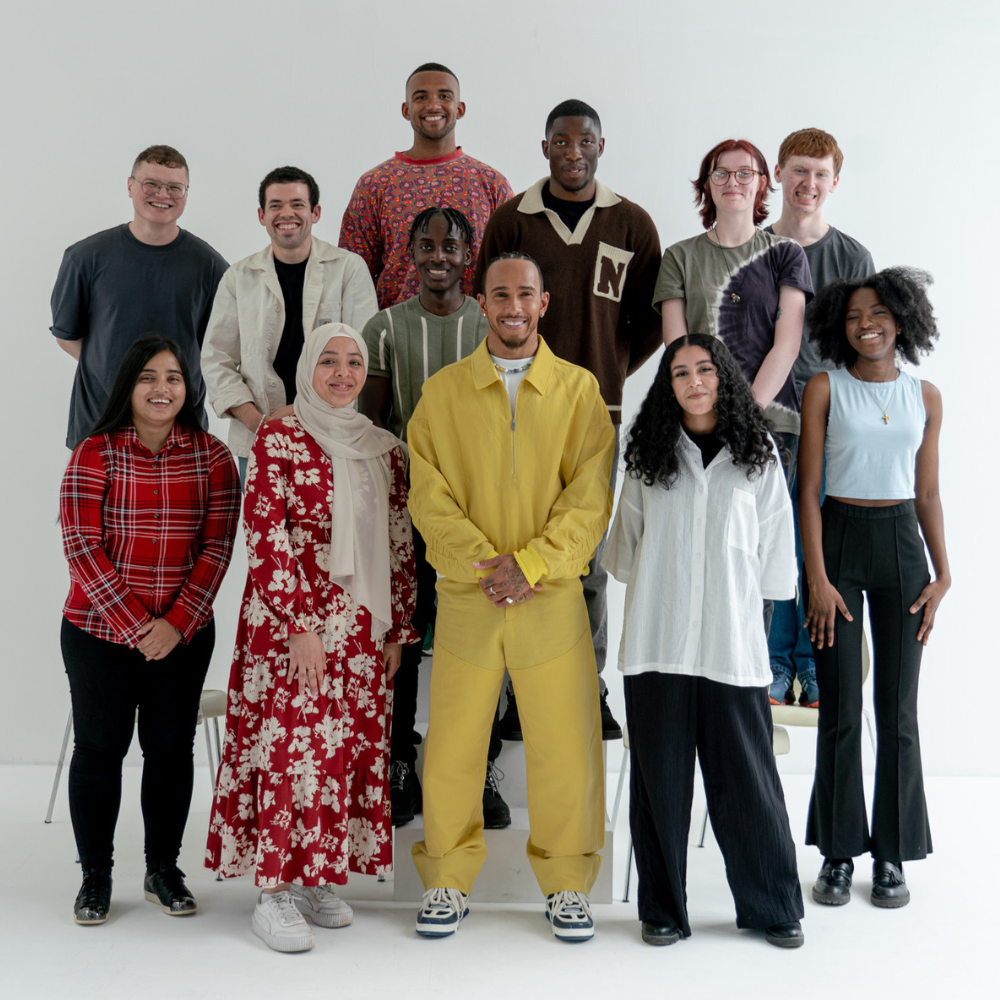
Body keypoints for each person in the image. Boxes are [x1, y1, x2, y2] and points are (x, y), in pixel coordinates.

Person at [407, 254, 614, 942]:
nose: (513, 306)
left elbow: (590, 501)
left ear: (545, 303)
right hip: (469, 597)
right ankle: (444, 878)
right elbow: (427, 495)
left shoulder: (579, 392)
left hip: (549, 596)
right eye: (501, 295)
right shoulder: (443, 393)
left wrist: (530, 564)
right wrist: (482, 566)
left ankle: (566, 884)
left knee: (565, 745)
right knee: (455, 746)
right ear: (482, 303)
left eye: (525, 294)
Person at [205, 323, 418, 953]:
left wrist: (398, 627)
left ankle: (320, 878)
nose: (343, 373)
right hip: (289, 622)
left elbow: (400, 541)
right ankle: (274, 891)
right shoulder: (278, 436)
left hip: (359, 626)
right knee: (291, 749)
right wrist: (300, 624)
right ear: (306, 367)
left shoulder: (384, 448)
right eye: (329, 361)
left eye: (354, 362)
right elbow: (265, 535)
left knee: (340, 752)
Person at [603, 333, 805, 949]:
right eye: (680, 372)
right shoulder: (647, 456)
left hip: (731, 645)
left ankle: (773, 905)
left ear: (724, 379)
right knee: (659, 782)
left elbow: (776, 560)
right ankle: (661, 909)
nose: (694, 381)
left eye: (705, 370)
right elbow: (623, 555)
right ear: (667, 386)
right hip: (657, 644)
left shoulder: (759, 455)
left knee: (748, 779)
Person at [475, 99, 662, 740]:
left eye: (585, 141)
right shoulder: (511, 219)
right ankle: (513, 694)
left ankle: (587, 685)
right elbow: (491, 307)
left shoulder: (633, 223)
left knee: (583, 555)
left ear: (601, 146)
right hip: (515, 408)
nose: (573, 151)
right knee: (515, 545)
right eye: (562, 140)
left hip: (596, 416)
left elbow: (645, 326)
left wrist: (602, 375)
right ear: (546, 145)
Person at [59, 336, 240, 926]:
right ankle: (96, 877)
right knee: (99, 751)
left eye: (173, 377)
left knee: (169, 751)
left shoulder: (212, 457)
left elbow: (217, 549)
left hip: (183, 637)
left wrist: (176, 624)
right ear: (127, 388)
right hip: (98, 633)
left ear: (189, 388)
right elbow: (81, 546)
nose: (162, 388)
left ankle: (163, 869)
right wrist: (139, 626)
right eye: (148, 377)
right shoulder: (95, 452)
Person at [800, 268, 948, 910]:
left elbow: (928, 495)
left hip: (901, 549)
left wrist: (944, 575)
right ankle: (838, 851)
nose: (868, 324)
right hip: (838, 539)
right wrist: (818, 578)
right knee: (840, 710)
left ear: (903, 319)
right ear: (841, 325)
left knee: (899, 711)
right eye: (856, 315)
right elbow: (807, 491)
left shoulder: (927, 395)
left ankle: (891, 853)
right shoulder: (825, 389)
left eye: (880, 312)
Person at [357, 206, 506, 829]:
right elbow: (372, 430)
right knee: (406, 638)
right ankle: (397, 762)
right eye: (426, 244)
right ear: (409, 254)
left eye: (451, 244)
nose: (438, 253)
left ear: (468, 254)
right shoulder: (385, 328)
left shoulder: (491, 324)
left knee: (479, 643)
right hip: (406, 512)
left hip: (481, 512)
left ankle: (480, 767)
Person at [763, 128, 876, 708]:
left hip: (831, 422)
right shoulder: (753, 247)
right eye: (799, 170)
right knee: (775, 546)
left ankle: (814, 662)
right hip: (765, 424)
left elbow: (866, 345)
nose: (809, 184)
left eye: (821, 174)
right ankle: (776, 665)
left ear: (835, 182)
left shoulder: (851, 257)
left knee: (821, 548)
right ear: (778, 172)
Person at [201, 166, 378, 483]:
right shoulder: (238, 278)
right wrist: (259, 422)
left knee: (332, 532)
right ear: (261, 215)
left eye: (297, 204)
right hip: (257, 439)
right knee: (265, 531)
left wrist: (304, 414)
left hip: (334, 437)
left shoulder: (348, 269)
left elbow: (363, 358)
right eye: (276, 205)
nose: (287, 213)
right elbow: (216, 359)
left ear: (316, 211)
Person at [51, 145, 228, 448]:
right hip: (99, 428)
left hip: (181, 434)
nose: (163, 194)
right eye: (151, 184)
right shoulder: (85, 258)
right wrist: (121, 374)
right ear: (130, 186)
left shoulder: (211, 267)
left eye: (175, 187)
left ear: (186, 193)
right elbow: (67, 336)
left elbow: (217, 347)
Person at [339, 62, 513, 309]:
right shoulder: (375, 185)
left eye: (444, 96)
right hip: (396, 338)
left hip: (477, 337)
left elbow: (512, 270)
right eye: (421, 97)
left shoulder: (491, 184)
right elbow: (352, 277)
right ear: (406, 109)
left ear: (460, 108)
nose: (433, 105)